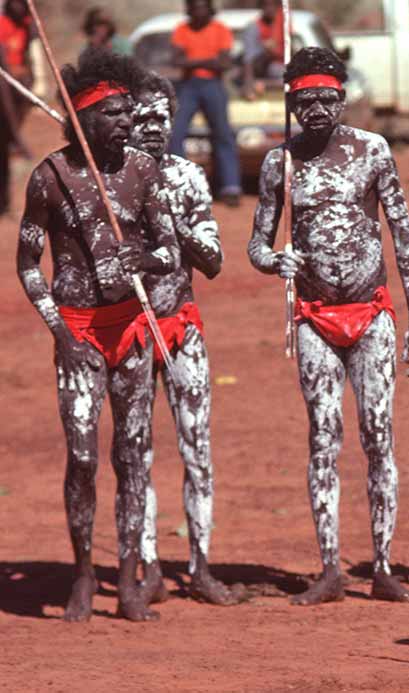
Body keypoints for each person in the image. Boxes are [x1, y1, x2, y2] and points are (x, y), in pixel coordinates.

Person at [248, 47, 409, 605]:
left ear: (344, 99)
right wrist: (275, 260)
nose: (318, 108)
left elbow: (404, 234)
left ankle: (383, 565)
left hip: (372, 316)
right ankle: (329, 568)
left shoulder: (373, 151)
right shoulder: (280, 164)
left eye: (327, 98)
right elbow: (255, 243)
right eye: (306, 100)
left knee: (380, 437)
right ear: (292, 104)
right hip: (313, 320)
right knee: (324, 438)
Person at [15, 49, 179, 622]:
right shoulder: (50, 178)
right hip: (78, 335)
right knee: (83, 457)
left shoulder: (143, 172)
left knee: (132, 456)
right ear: (83, 120)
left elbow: (171, 248)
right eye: (112, 114)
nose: (126, 123)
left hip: (131, 331)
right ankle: (83, 572)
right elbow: (29, 264)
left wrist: (148, 257)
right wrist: (58, 329)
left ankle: (130, 578)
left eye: (128, 113)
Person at [129, 71, 235, 606]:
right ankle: (148, 564)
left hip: (182, 327)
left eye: (160, 118)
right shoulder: (111, 183)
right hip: (129, 334)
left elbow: (214, 262)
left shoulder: (189, 179)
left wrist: (170, 220)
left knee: (198, 450)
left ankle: (201, 564)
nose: (151, 128)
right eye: (140, 118)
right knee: (137, 451)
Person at [168, 0, 242, 206]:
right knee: (175, 133)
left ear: (209, 9)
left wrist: (192, 61)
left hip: (213, 85)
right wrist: (208, 61)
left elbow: (225, 63)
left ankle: (230, 186)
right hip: (188, 86)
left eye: (202, 7)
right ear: (189, 9)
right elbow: (175, 60)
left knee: (223, 134)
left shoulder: (220, 29)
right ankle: (179, 183)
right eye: (195, 7)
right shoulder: (182, 29)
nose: (199, 11)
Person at [0, 0, 33, 214]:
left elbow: (31, 50)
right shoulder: (3, 24)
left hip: (18, 85)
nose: (20, 8)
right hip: (5, 81)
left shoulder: (26, 24)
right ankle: (15, 138)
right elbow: (3, 63)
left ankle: (5, 203)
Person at [241, 0, 283, 100]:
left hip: (280, 71)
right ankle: (257, 84)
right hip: (263, 68)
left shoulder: (283, 25)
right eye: (266, 5)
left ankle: (264, 84)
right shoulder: (254, 27)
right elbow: (249, 59)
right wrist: (249, 84)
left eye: (273, 5)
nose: (269, 9)